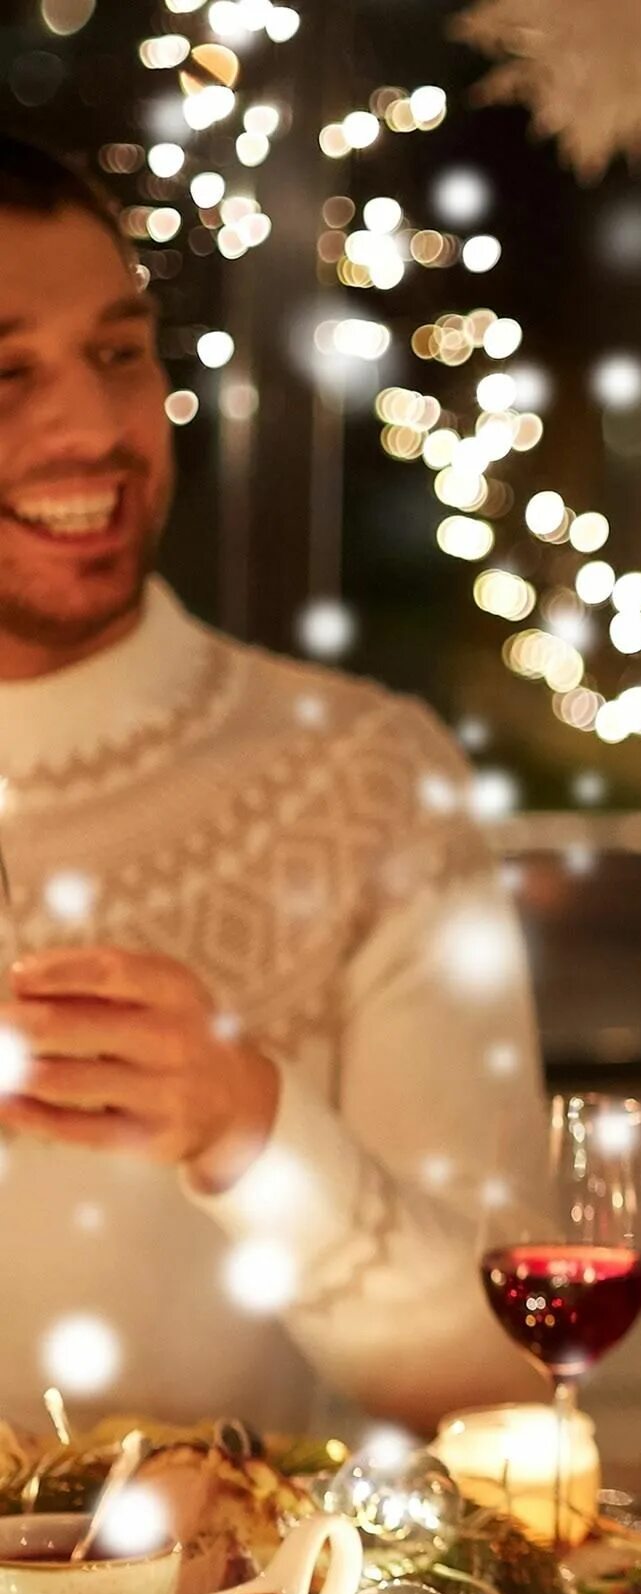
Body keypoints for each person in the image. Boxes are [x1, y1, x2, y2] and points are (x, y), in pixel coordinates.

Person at [0, 133, 543, 1435]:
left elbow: (500, 1376)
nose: (93, 427)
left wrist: (252, 1129)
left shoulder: (360, 781)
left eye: (119, 353)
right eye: (4, 375)